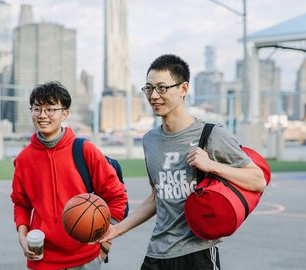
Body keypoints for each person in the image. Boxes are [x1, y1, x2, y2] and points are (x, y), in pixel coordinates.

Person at [100, 54, 266, 270]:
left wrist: (212, 165)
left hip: (197, 253)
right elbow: (155, 198)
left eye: (162, 88)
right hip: (157, 254)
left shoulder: (211, 134)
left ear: (183, 89)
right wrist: (116, 230)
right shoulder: (150, 140)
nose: (154, 96)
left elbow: (257, 180)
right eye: (149, 88)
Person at [10, 81, 127, 270]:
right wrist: (22, 238)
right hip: (42, 259)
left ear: (65, 113)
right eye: (37, 109)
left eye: (50, 109)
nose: (42, 115)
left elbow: (117, 196)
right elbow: (21, 204)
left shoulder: (85, 151)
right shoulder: (24, 159)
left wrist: (105, 243)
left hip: (86, 258)